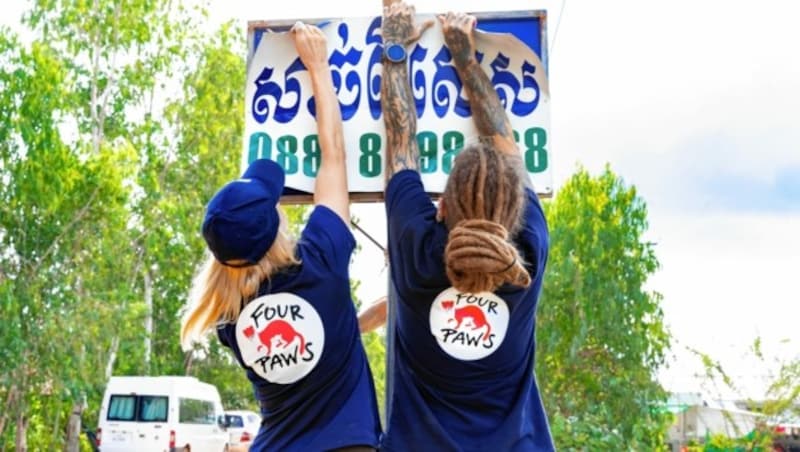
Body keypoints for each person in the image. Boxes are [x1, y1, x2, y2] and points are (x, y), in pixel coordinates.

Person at [180, 22, 380, 452]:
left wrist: (353, 325)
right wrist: (318, 67)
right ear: (275, 229)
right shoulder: (322, 264)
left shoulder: (228, 321)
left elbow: (307, 340)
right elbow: (334, 157)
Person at [380, 4, 554, 451]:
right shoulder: (527, 251)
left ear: (441, 206)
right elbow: (504, 142)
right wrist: (464, 56)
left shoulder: (417, 247)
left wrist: (395, 46)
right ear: (515, 208)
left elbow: (400, 140)